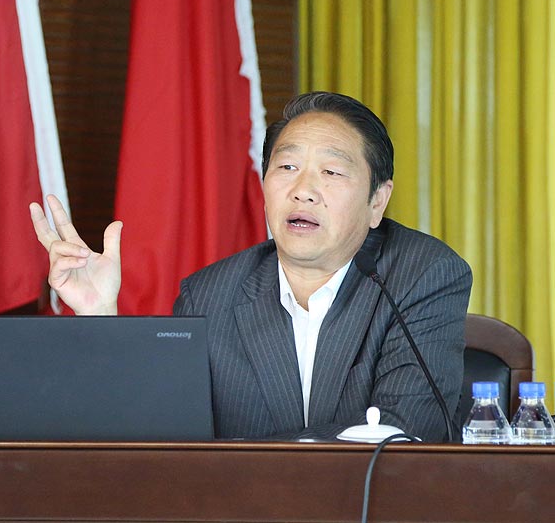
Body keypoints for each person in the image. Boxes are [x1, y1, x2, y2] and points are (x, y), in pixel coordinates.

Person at [30, 91, 472, 442]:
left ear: (377, 201)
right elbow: (161, 439)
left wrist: (244, 459)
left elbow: (405, 429)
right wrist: (99, 317)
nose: (303, 190)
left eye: (331, 172)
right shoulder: (210, 294)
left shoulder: (421, 274)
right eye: (287, 166)